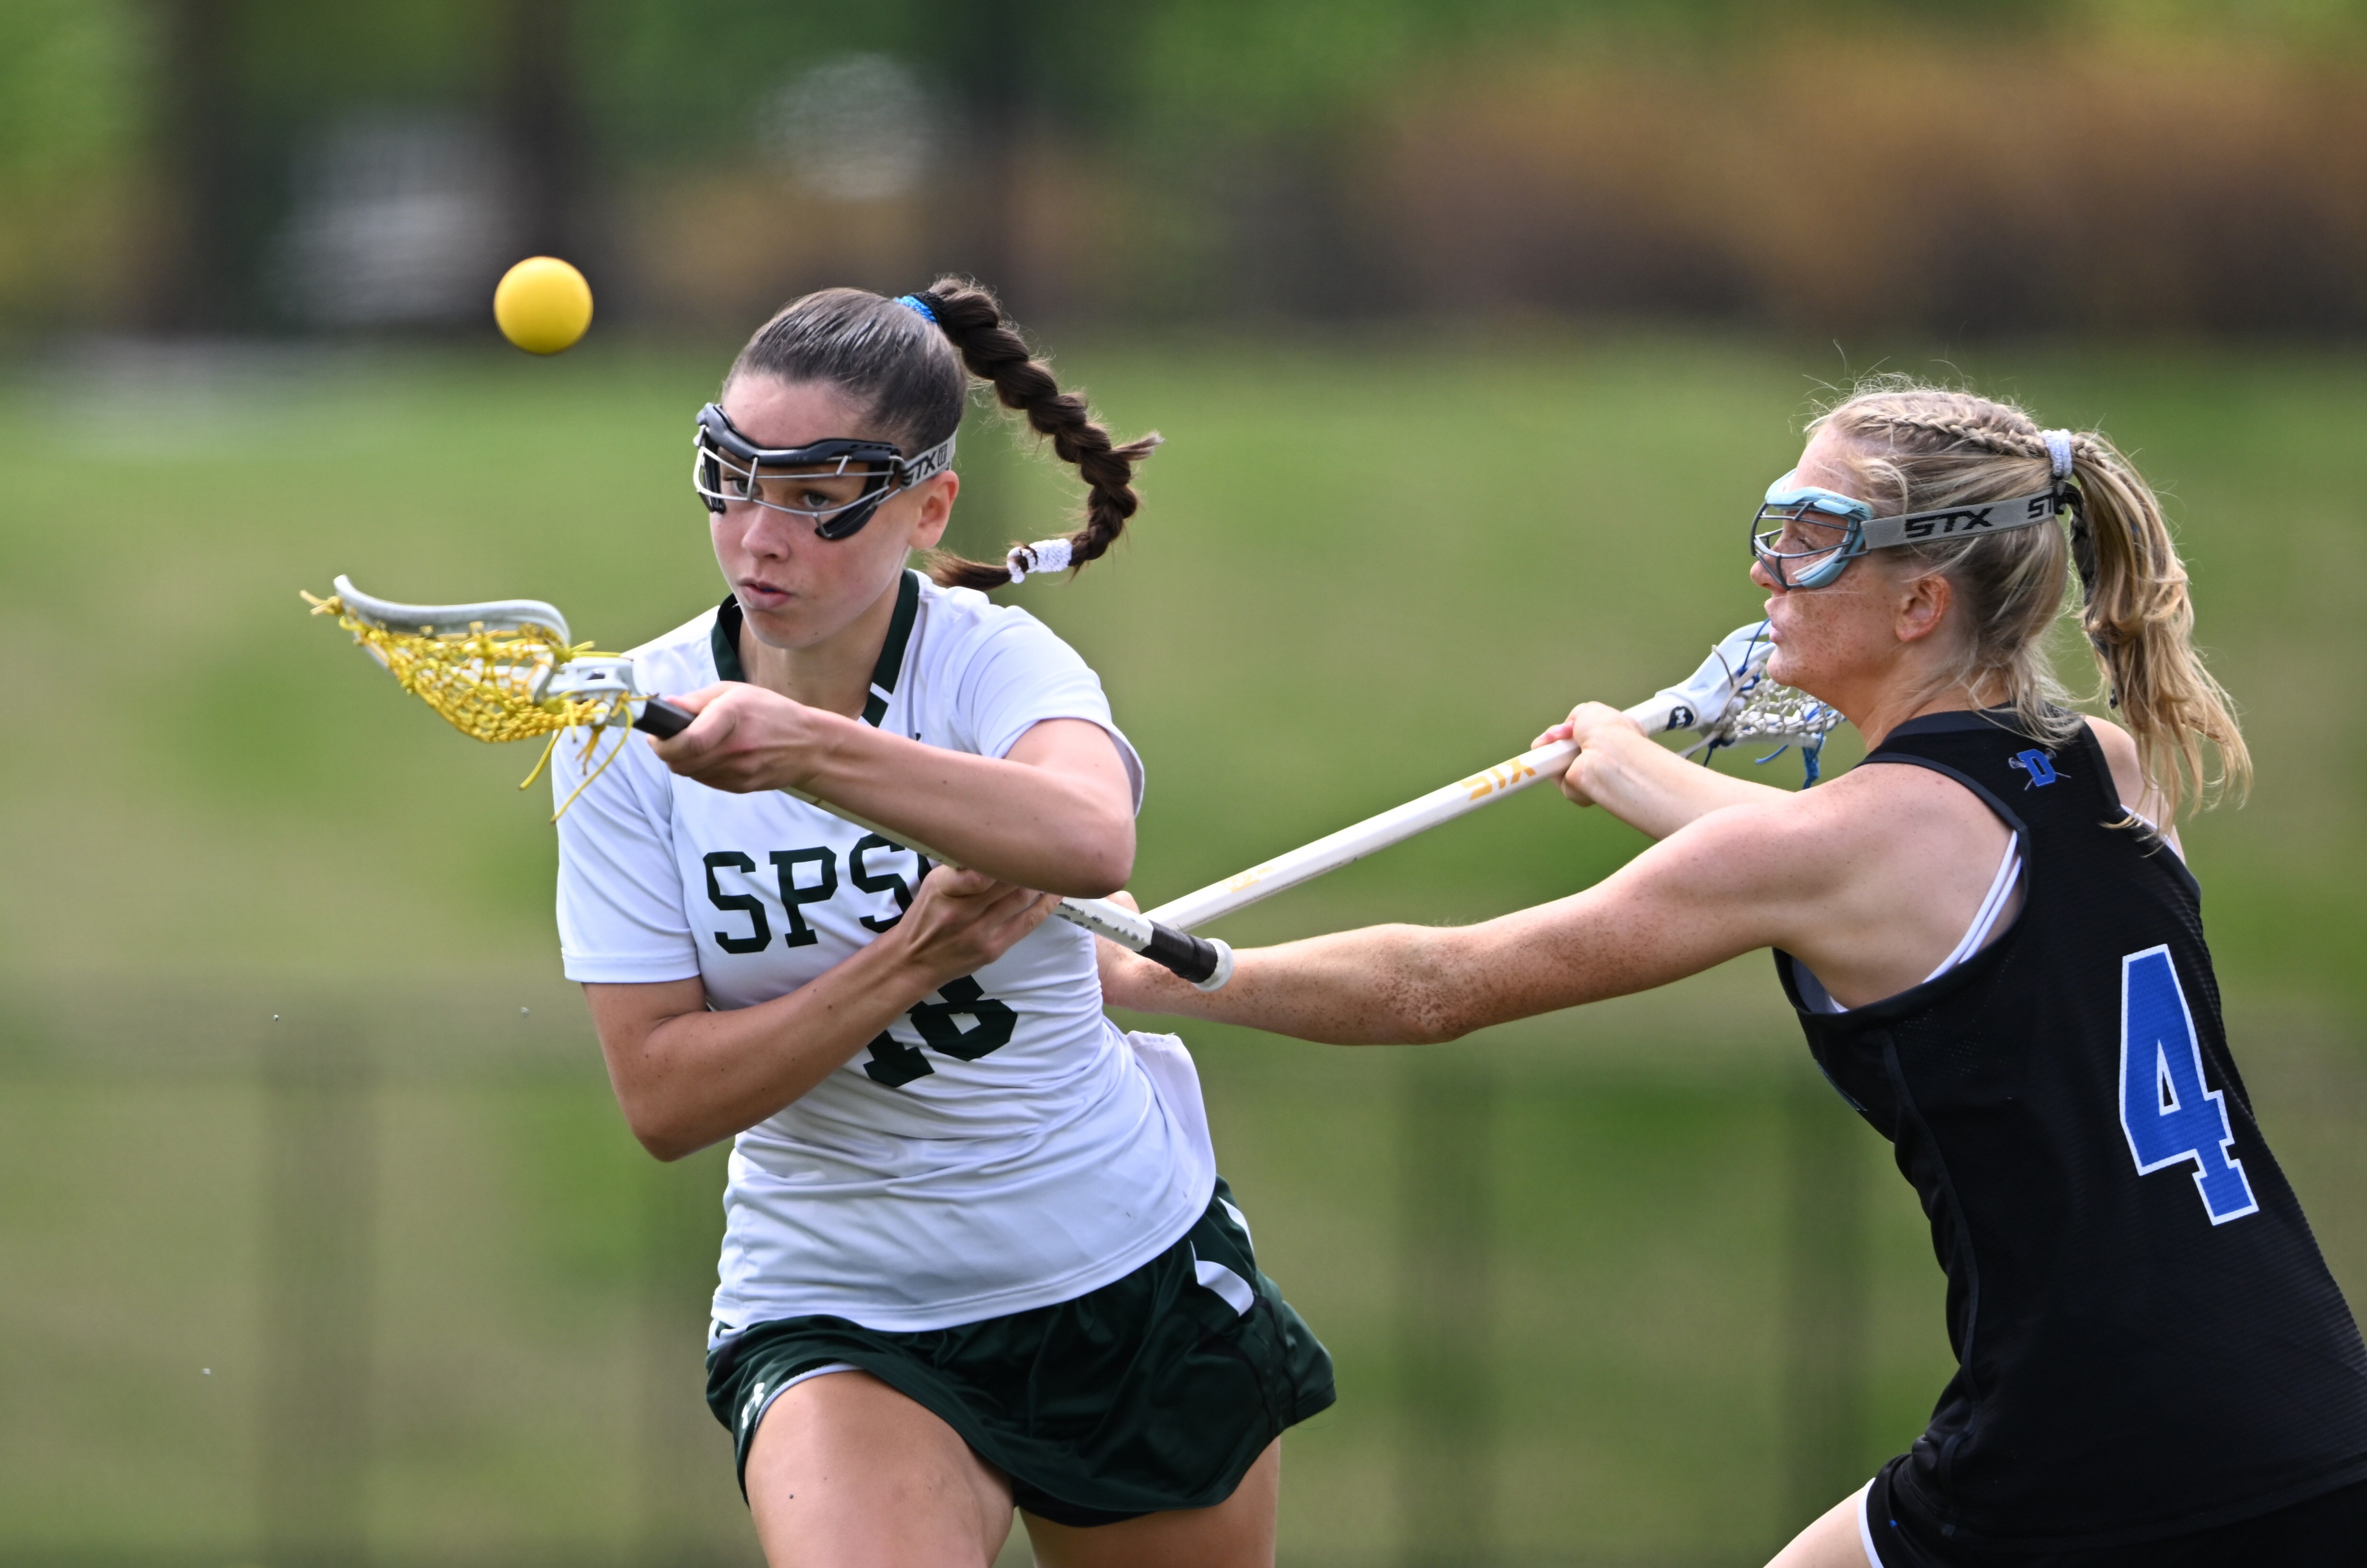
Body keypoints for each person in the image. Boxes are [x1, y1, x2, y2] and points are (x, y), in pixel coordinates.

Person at [1096, 383, 2367, 1567]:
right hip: (2313, 1408)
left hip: (2093, 1440)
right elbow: (1859, 859)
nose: (1768, 569)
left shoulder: (1830, 850)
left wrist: (1147, 970)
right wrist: (1632, 770)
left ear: (1920, 605)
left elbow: (1443, 984)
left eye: (1815, 538)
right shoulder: (2110, 770)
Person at [553, 280, 1333, 1568]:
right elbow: (666, 1099)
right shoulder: (635, 730)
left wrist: (809, 749)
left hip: (1118, 1271)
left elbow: (1091, 838)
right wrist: (915, 956)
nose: (760, 538)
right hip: (838, 1301)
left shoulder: (993, 665)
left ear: (929, 509)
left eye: (819, 497)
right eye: (731, 482)